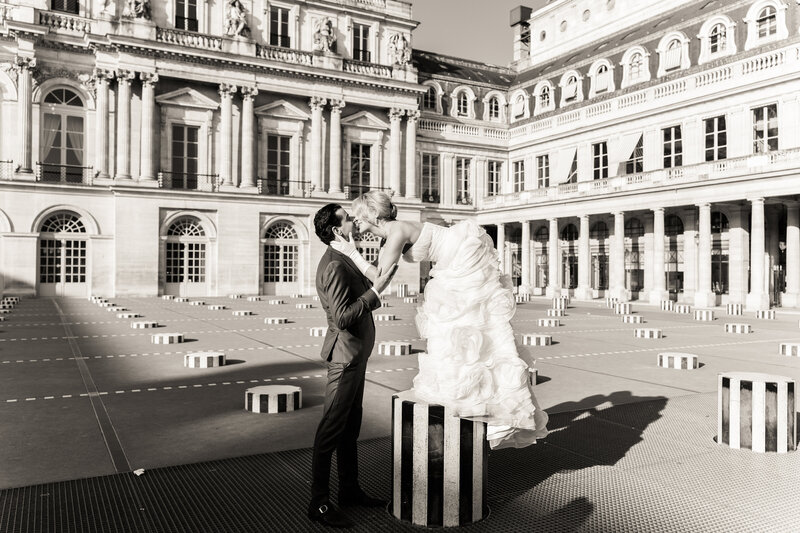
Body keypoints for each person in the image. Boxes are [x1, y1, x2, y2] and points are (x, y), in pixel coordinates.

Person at [332, 190, 549, 449]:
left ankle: (496, 408)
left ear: (373, 215)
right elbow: (380, 271)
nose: (355, 221)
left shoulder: (396, 231)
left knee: (469, 327)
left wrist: (352, 253)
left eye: (357, 216)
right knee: (463, 330)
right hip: (455, 258)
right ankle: (483, 400)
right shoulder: (391, 234)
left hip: (462, 258)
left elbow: (380, 278)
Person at [309, 203, 398, 529]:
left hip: (355, 357)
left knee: (349, 428)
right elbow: (343, 317)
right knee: (331, 429)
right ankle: (318, 502)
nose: (354, 221)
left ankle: (349, 489)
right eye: (348, 218)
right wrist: (375, 292)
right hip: (344, 359)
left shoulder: (344, 256)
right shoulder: (334, 265)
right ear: (336, 229)